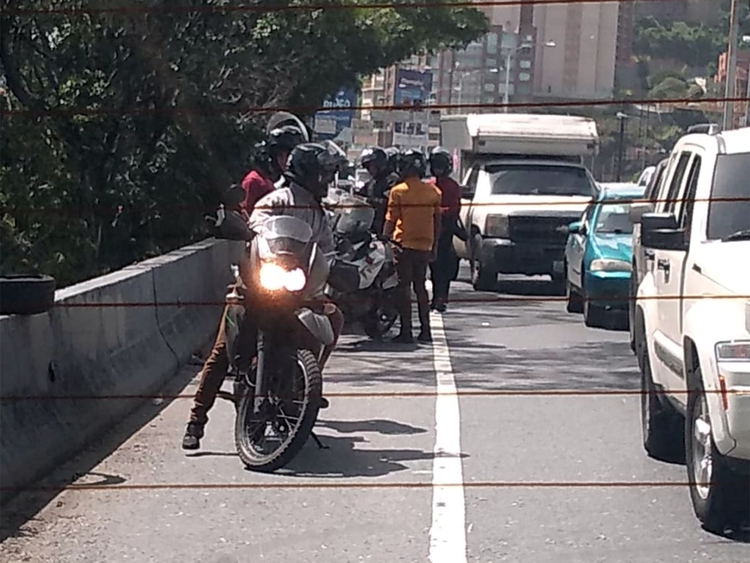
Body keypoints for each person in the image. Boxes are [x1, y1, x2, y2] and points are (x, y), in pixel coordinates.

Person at [181, 142, 343, 451]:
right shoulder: (276, 200)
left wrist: (334, 268)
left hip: (298, 290)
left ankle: (303, 387)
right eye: (322, 174)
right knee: (221, 353)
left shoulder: (320, 214)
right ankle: (195, 421)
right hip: (258, 284)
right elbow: (255, 232)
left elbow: (327, 250)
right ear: (307, 173)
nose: (326, 181)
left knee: (334, 318)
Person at [383, 149, 442, 344]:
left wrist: (384, 239)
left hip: (403, 245)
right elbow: (437, 222)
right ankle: (426, 331)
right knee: (421, 288)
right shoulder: (433, 191)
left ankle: (406, 331)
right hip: (425, 245)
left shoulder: (398, 191)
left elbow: (391, 220)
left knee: (403, 288)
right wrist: (434, 247)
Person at [239, 125, 306, 214]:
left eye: (290, 155)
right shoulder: (257, 181)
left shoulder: (306, 186)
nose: (285, 161)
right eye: (280, 156)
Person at [428, 147, 463, 313]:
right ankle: (435, 298)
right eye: (436, 166)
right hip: (428, 230)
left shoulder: (452, 186)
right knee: (432, 268)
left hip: (445, 231)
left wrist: (438, 211)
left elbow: (454, 209)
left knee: (443, 267)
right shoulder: (429, 185)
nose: (438, 169)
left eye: (440, 166)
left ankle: (441, 298)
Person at [359, 147, 400, 234]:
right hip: (370, 226)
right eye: (367, 167)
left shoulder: (392, 180)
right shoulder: (372, 181)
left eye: (370, 166)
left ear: (379, 164)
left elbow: (390, 203)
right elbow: (360, 195)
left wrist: (369, 201)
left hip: (386, 227)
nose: (369, 170)